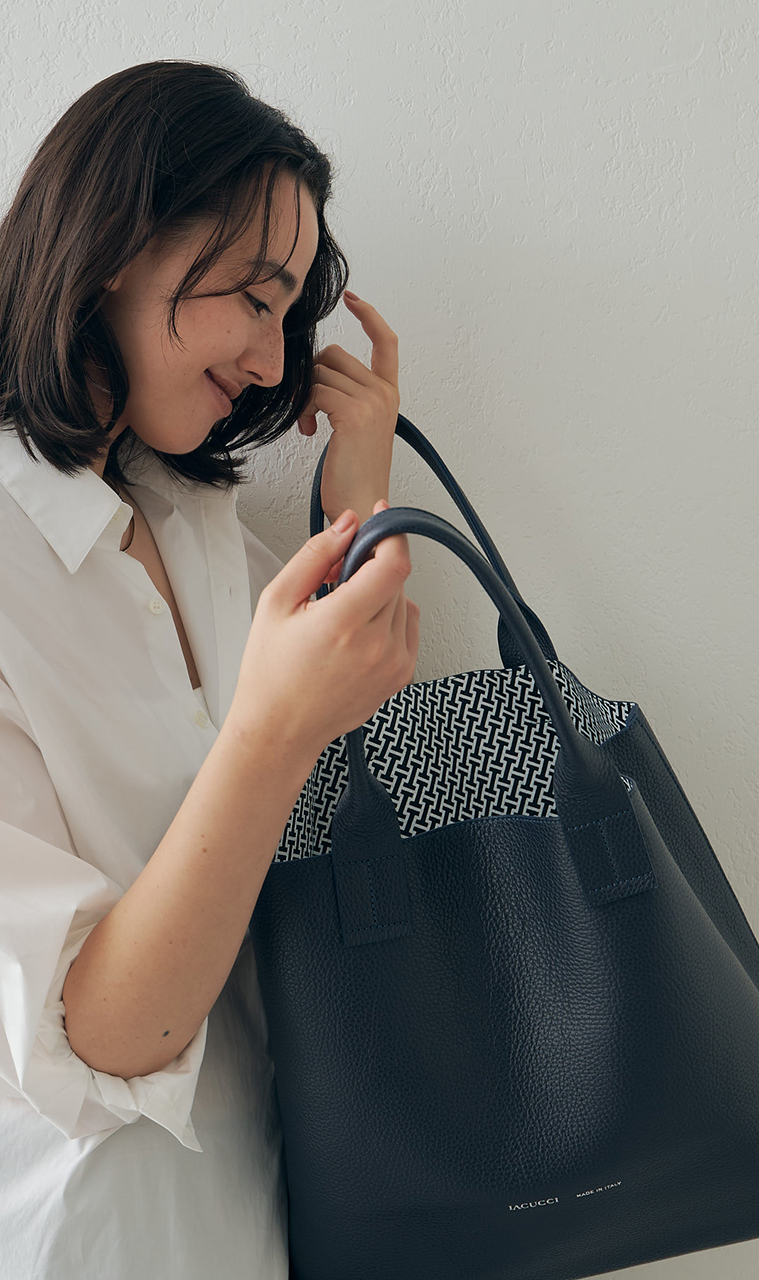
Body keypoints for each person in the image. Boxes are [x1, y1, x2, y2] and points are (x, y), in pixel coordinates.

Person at [0, 59, 419, 1279]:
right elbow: (99, 1033)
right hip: (87, 1239)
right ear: (117, 244)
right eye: (254, 294)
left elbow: (346, 800)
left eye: (291, 314)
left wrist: (359, 500)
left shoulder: (202, 534)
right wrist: (269, 732)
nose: (273, 356)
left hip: (274, 1216)